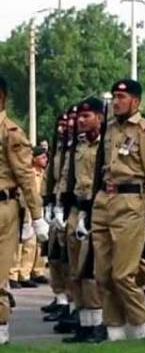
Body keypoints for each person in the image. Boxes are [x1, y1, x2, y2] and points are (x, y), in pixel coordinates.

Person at [91, 79, 145, 341]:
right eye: (114, 96)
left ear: (135, 102)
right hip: (104, 201)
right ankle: (115, 332)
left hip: (130, 204)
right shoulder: (110, 129)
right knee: (102, 274)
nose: (116, 101)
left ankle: (141, 328)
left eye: (122, 97)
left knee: (123, 274)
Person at [0, 75, 49, 345]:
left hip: (3, 207)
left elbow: (26, 177)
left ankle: (0, 329)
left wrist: (37, 216)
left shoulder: (11, 133)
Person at [61, 97, 105, 343]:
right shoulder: (77, 145)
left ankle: (97, 324)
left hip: (95, 209)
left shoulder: (105, 145)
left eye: (86, 116)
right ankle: (84, 321)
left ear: (99, 117)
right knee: (75, 270)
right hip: (76, 209)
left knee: (90, 269)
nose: (81, 120)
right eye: (79, 117)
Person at [41, 112, 72, 318]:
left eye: (66, 125)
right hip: (57, 204)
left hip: (72, 206)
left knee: (71, 259)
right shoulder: (59, 149)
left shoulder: (77, 148)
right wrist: (47, 202)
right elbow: (51, 177)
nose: (62, 129)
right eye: (60, 125)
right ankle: (61, 297)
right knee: (54, 255)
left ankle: (72, 302)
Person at [9, 146, 48, 287]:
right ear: (34, 159)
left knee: (36, 243)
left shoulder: (43, 173)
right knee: (23, 241)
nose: (46, 160)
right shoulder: (28, 173)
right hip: (26, 208)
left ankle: (31, 272)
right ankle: (14, 274)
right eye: (42, 157)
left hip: (40, 208)